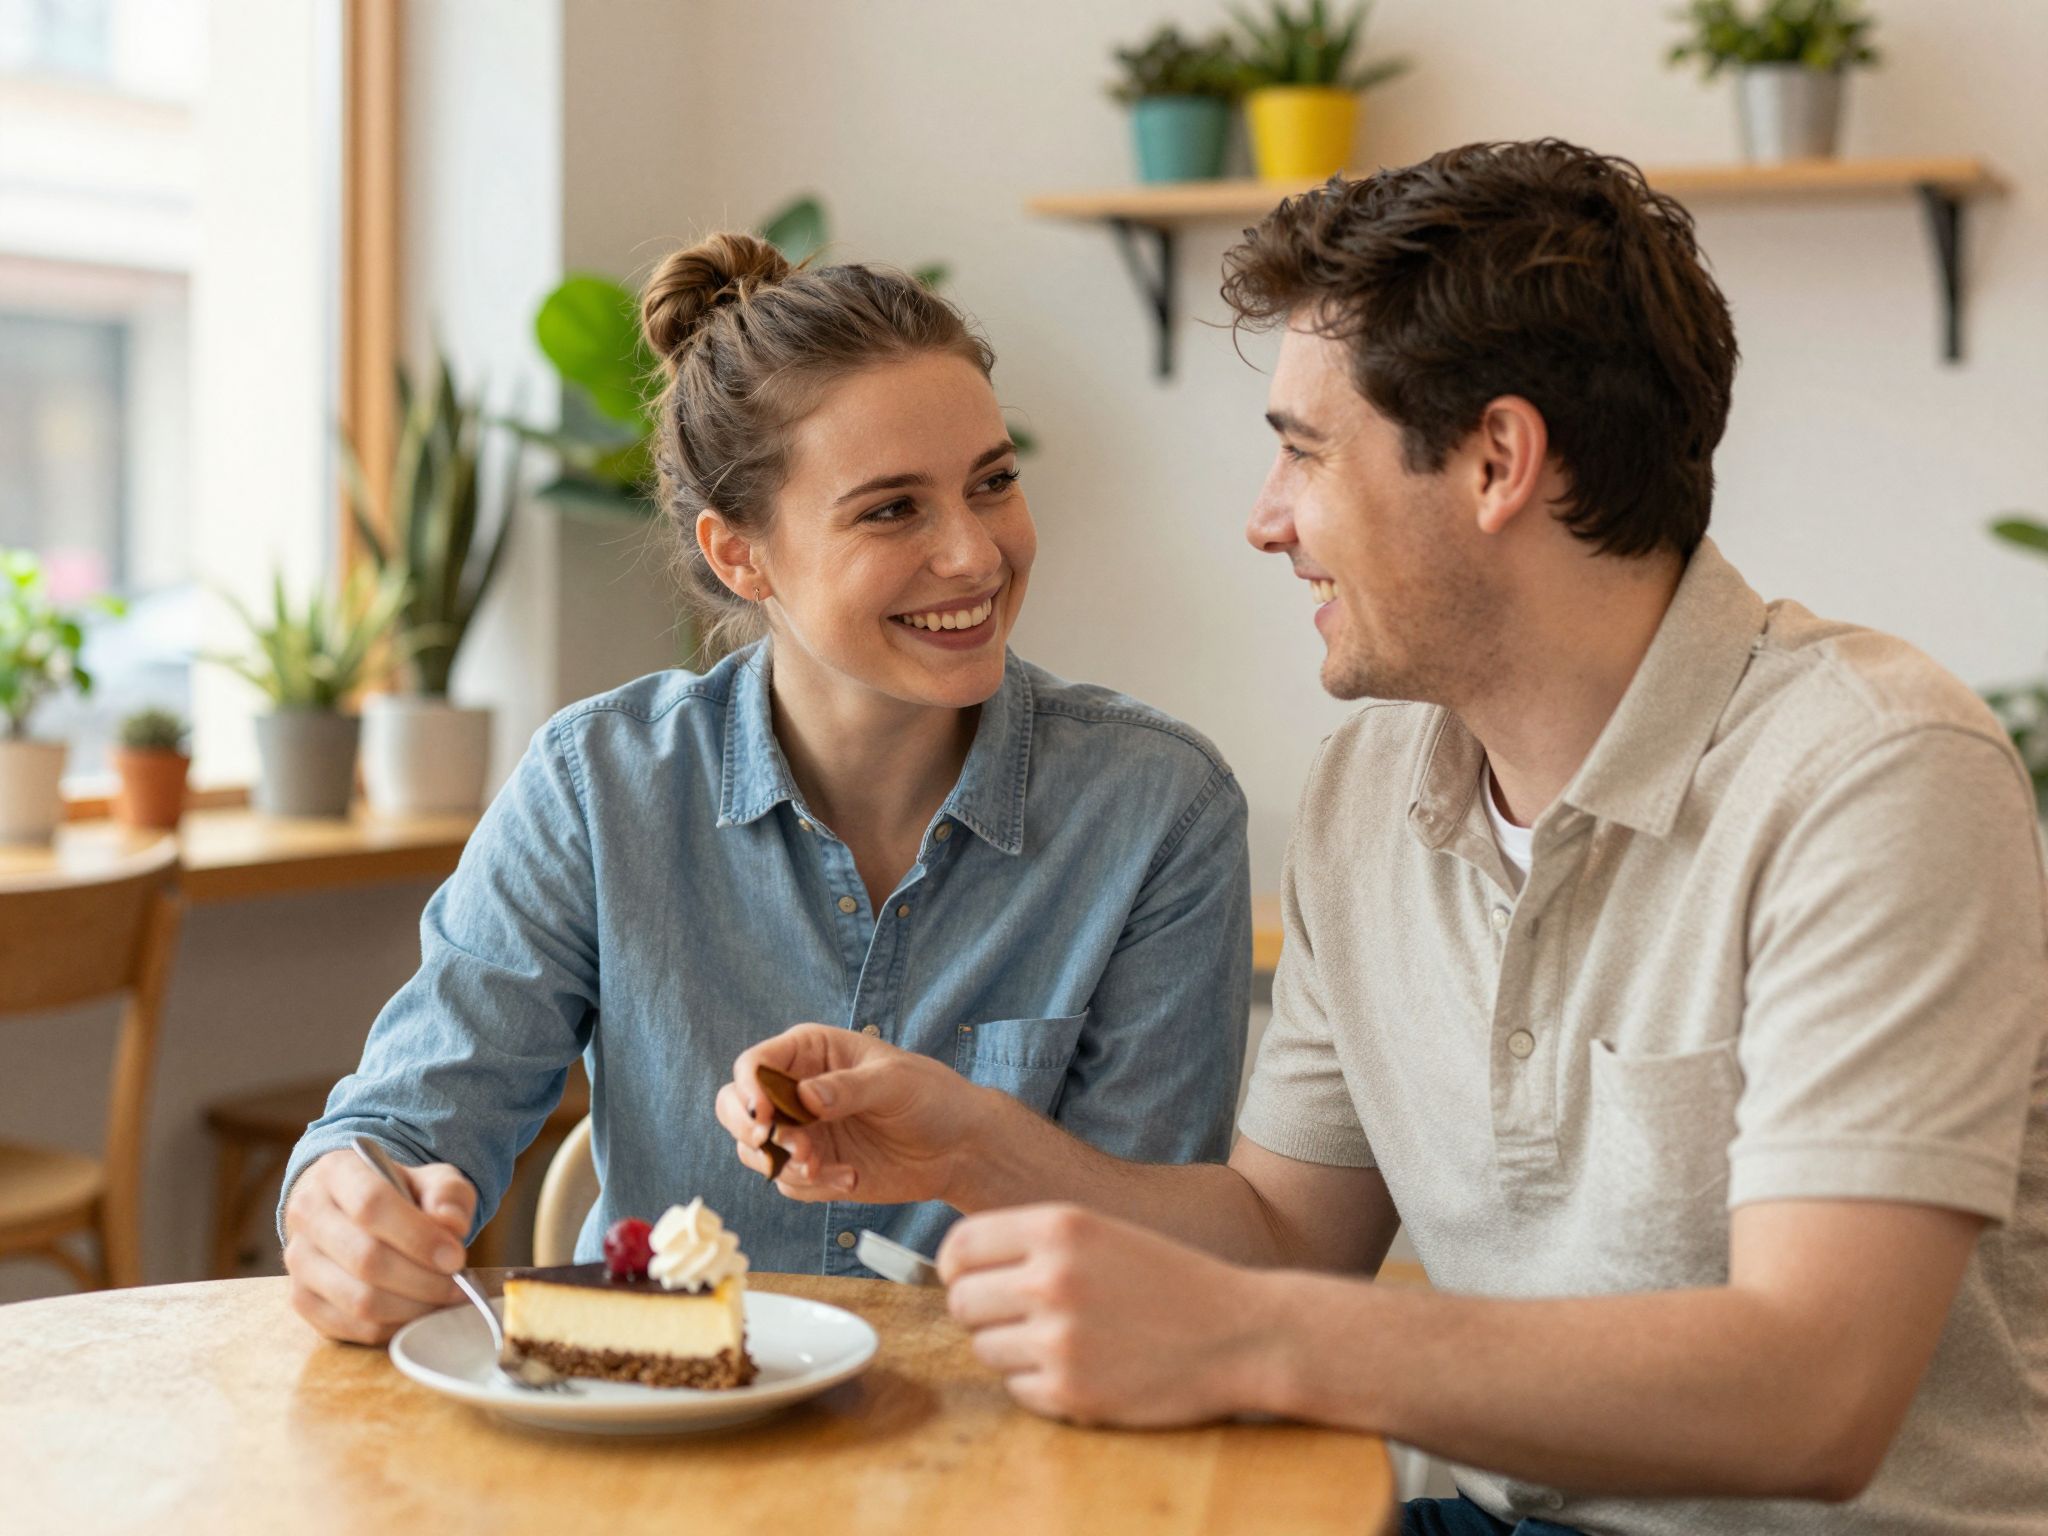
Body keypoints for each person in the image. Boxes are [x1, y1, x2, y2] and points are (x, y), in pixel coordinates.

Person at [718, 142, 2048, 1533]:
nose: (1264, 520)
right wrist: (972, 1150)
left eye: (1302, 451)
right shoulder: (1373, 788)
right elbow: (1292, 1236)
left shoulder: (1875, 772)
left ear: (1495, 462)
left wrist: (1250, 1335)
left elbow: (1815, 1393)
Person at [279, 232, 1251, 1345]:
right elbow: (400, 1125)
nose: (976, 555)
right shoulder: (597, 787)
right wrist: (350, 1209)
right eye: (892, 509)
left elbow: (1157, 1252)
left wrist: (979, 1141)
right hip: (655, 1444)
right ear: (740, 558)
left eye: (991, 484)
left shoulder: (1155, 811)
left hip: (1008, 1451)